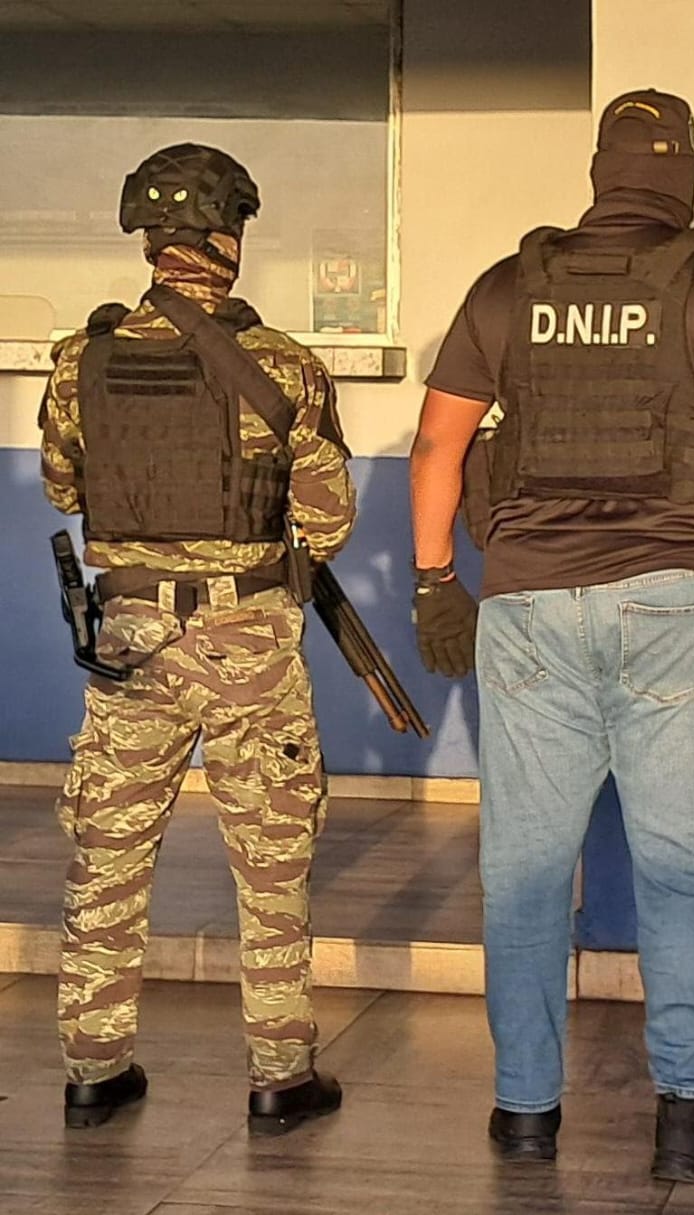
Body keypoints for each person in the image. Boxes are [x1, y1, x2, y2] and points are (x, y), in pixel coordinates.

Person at [410, 89, 694, 1181]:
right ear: (683, 179)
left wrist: (433, 583)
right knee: (682, 862)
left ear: (598, 176)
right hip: (679, 601)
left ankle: (525, 1112)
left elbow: (436, 446)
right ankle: (687, 1112)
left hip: (527, 604)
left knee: (524, 869)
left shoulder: (510, 285)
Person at [39, 144, 354, 1136]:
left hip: (130, 640)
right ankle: (280, 1075)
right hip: (248, 642)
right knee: (270, 861)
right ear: (230, 238)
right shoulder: (282, 367)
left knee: (109, 856)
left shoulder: (81, 360)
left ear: (148, 239)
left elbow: (60, 486)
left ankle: (94, 1071)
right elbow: (330, 519)